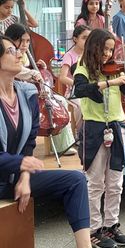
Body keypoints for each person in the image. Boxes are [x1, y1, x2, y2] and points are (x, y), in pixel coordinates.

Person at [0, 35, 91, 248]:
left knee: (76, 180)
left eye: (18, 49)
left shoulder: (27, 94)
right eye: (11, 51)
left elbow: (29, 144)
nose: (20, 53)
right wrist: (22, 164)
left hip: (14, 178)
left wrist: (24, 176)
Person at [74, 28, 125, 248]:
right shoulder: (82, 68)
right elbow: (80, 89)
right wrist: (109, 83)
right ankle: (94, 229)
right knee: (95, 182)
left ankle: (111, 225)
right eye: (104, 49)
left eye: (111, 49)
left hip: (116, 126)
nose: (108, 54)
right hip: (95, 128)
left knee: (116, 181)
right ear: (94, 46)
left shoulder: (115, 70)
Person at [4, 23, 77, 156]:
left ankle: (63, 143)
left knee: (60, 102)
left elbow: (27, 70)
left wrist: (39, 67)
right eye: (22, 40)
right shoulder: (7, 53)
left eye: (28, 41)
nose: (25, 45)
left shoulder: (24, 54)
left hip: (29, 89)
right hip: (16, 91)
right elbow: (19, 72)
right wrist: (33, 73)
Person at [59, 25, 92, 137]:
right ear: (75, 39)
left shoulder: (90, 54)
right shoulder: (69, 55)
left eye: (89, 38)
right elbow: (62, 77)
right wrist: (79, 83)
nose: (87, 41)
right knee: (80, 104)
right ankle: (80, 133)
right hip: (73, 92)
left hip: (88, 90)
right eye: (84, 38)